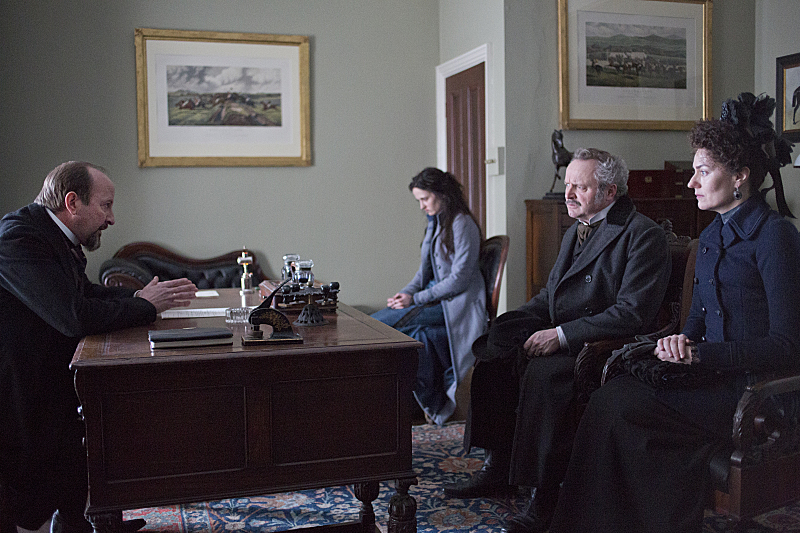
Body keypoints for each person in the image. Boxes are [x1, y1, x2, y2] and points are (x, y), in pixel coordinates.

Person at [550, 93, 800, 533]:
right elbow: (696, 327)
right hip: (709, 378)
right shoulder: (710, 239)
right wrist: (679, 341)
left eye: (703, 172)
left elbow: (786, 346)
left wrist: (704, 357)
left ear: (740, 177)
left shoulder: (775, 237)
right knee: (613, 396)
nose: (691, 183)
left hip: (753, 390)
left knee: (620, 408)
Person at [443, 148, 672, 533]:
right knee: (494, 349)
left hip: (602, 346)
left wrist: (562, 336)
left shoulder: (642, 234)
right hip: (566, 333)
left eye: (579, 187)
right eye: (568, 185)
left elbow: (632, 314)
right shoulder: (577, 227)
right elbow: (550, 296)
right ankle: (498, 466)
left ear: (609, 192)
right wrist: (515, 323)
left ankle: (543, 496)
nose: (568, 195)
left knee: (545, 377)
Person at [0, 162, 198, 533]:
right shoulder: (18, 237)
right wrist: (145, 305)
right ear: (72, 202)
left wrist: (139, 296)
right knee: (33, 489)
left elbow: (85, 291)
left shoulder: (52, 234)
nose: (110, 218)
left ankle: (83, 524)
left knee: (78, 452)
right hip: (19, 388)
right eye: (105, 206)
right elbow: (71, 315)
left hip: (50, 375)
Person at [372, 167, 487, 425]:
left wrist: (415, 299)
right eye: (419, 201)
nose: (422, 206)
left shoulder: (462, 223)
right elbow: (423, 273)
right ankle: (429, 405)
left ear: (442, 194)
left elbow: (459, 280)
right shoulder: (435, 224)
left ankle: (427, 404)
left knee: (381, 326)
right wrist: (407, 292)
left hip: (456, 306)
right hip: (435, 301)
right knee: (393, 329)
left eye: (425, 199)